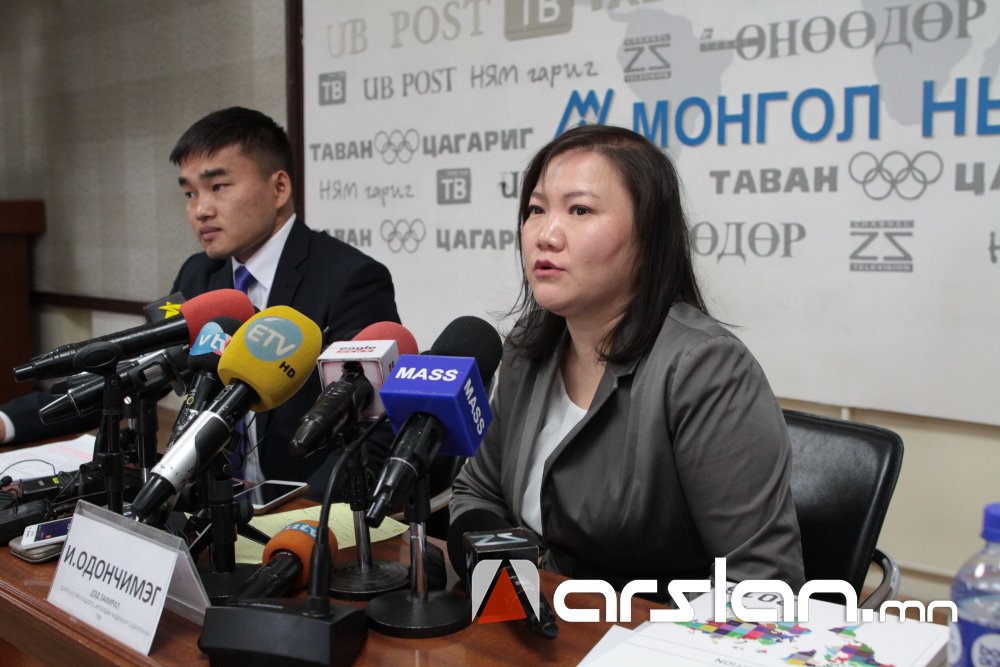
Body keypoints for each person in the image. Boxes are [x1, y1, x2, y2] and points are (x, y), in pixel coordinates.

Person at [449, 124, 804, 591]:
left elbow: (761, 582)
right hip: (544, 614)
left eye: (579, 210)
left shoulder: (705, 369)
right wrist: (512, 586)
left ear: (648, 237)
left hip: (657, 627)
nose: (546, 235)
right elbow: (477, 491)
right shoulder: (528, 346)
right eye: (536, 210)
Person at [0, 107, 400, 488]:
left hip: (299, 505)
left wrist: (305, 515)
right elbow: (130, 375)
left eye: (218, 187)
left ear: (279, 188)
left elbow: (373, 430)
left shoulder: (349, 279)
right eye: (189, 194)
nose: (200, 210)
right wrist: (7, 422)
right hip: (211, 498)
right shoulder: (198, 274)